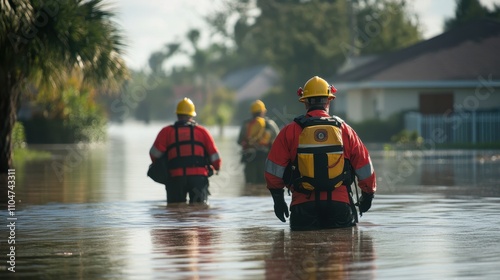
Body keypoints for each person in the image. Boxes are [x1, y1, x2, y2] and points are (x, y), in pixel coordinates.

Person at [264, 76, 376, 231]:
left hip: (303, 205)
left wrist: (278, 200)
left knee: (301, 251)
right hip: (339, 204)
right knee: (341, 252)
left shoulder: (289, 131)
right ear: (328, 101)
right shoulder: (345, 130)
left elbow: (273, 172)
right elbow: (364, 168)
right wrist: (367, 196)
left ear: (305, 102)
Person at [149, 98, 221, 204]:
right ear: (192, 115)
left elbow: (154, 154)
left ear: (177, 115)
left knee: (175, 212)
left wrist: (163, 166)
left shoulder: (166, 132)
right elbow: (215, 157)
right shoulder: (202, 132)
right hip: (199, 179)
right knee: (199, 212)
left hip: (175, 178)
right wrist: (216, 168)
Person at [237, 100, 279, 184]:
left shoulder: (246, 124)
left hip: (250, 160)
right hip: (265, 160)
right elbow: (278, 142)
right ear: (263, 111)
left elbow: (239, 141)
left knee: (250, 184)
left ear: (252, 112)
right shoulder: (270, 124)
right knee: (265, 185)